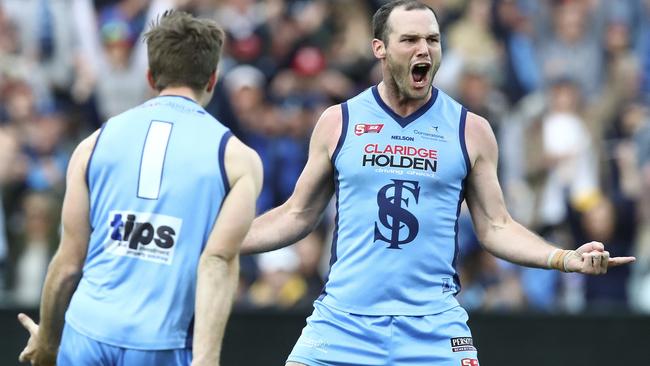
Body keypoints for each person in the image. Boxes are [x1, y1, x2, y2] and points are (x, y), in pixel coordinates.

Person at [240, 1, 635, 365]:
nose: (424, 50)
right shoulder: (338, 121)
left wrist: (564, 258)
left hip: (433, 330)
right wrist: (220, 238)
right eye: (409, 40)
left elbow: (496, 227)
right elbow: (296, 214)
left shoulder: (471, 130)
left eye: (432, 40)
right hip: (342, 323)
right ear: (379, 48)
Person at [17, 10, 263, 366]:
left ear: (150, 77)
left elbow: (69, 259)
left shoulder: (92, 144)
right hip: (160, 342)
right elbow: (218, 262)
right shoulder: (238, 159)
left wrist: (49, 341)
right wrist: (206, 359)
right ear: (212, 79)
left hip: (85, 332)